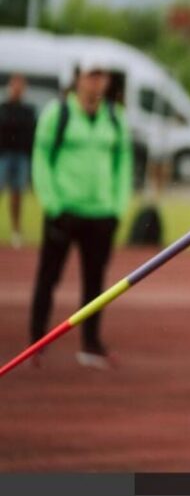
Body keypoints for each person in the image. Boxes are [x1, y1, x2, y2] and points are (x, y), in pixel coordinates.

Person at [30, 56, 133, 370]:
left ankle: (91, 344)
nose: (97, 81)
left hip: (101, 213)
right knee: (48, 277)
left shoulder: (114, 117)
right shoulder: (57, 113)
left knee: (95, 284)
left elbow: (123, 165)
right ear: (77, 79)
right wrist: (52, 204)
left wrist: (117, 207)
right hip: (64, 211)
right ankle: (36, 341)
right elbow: (41, 158)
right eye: (91, 75)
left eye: (102, 76)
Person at [0, 74, 36, 249]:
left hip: (21, 157)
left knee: (17, 196)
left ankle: (16, 231)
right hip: (3, 156)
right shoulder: (3, 108)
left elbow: (31, 134)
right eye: (15, 85)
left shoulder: (28, 110)